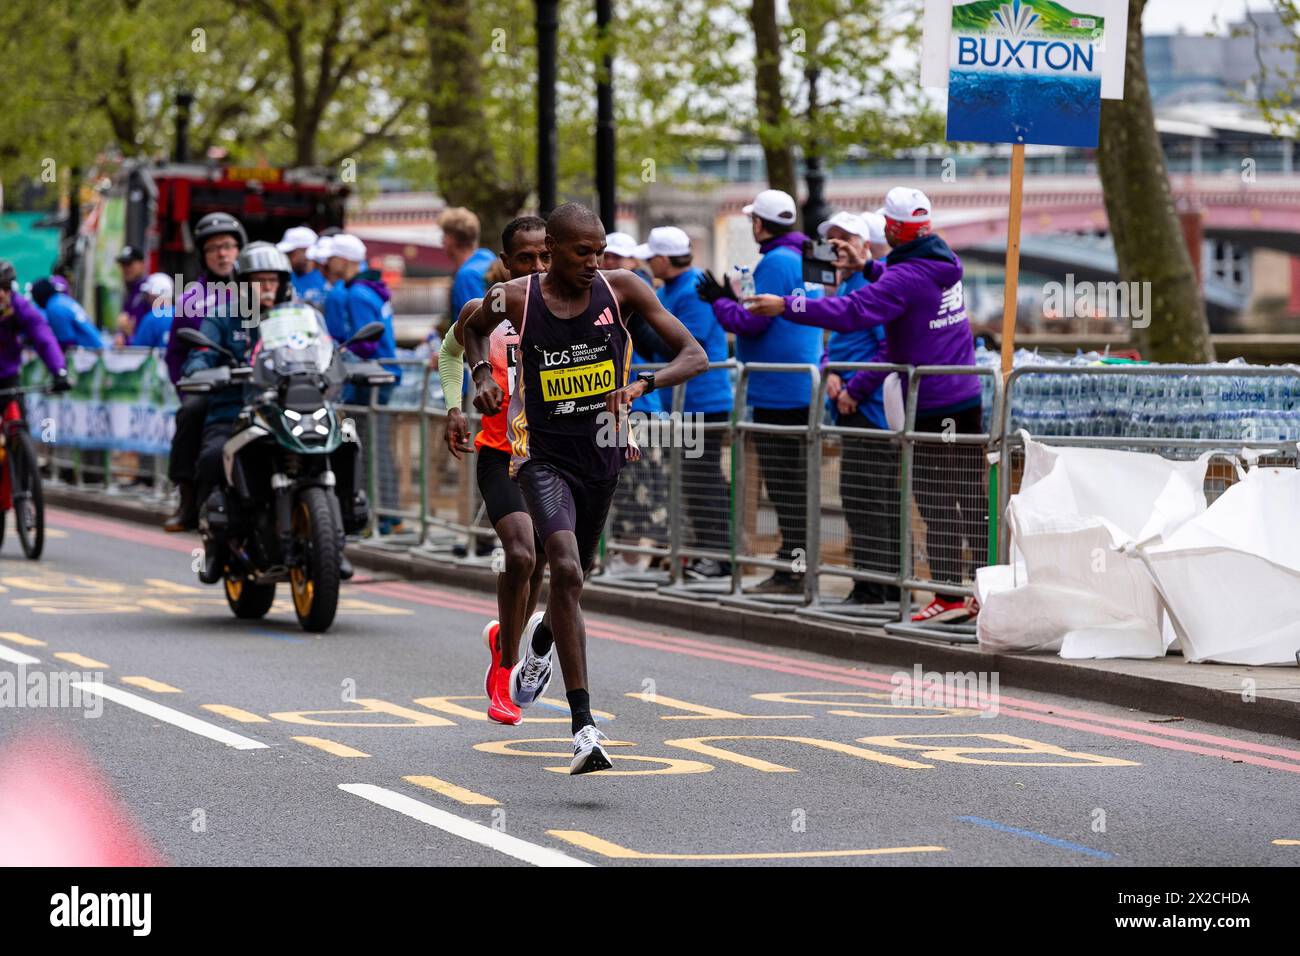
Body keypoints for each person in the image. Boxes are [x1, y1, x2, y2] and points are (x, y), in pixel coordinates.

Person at [462, 203, 707, 774]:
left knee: (578, 577)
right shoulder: (515, 298)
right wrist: (479, 379)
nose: (594, 263)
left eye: (600, 251)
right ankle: (584, 729)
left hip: (604, 451)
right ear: (552, 248)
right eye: (581, 253)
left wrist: (641, 385)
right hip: (543, 458)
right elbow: (470, 328)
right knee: (564, 568)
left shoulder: (622, 289)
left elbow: (693, 355)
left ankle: (544, 640)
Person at [744, 187, 986, 624]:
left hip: (929, 401)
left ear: (891, 229)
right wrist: (869, 266)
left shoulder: (903, 276)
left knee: (935, 503)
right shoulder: (943, 262)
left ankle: (950, 597)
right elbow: (906, 285)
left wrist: (786, 305)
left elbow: (850, 312)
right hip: (966, 394)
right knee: (972, 500)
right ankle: (987, 591)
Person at [438, 215, 550, 724]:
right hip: (500, 453)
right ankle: (505, 672)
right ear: (504, 262)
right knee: (521, 555)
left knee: (547, 561)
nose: (536, 266)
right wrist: (454, 407)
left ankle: (507, 635)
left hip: (553, 459)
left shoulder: (569, 307)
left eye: (544, 256)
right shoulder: (486, 311)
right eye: (524, 258)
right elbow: (449, 350)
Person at [695, 188, 823, 595]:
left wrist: (719, 301)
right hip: (803, 383)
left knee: (785, 485)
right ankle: (800, 565)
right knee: (799, 482)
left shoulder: (775, 261)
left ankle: (792, 569)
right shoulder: (807, 255)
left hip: (776, 390)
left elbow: (751, 323)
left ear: (760, 224)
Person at [639, 226, 734, 580]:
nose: (649, 265)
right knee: (691, 480)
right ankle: (704, 552)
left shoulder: (693, 291)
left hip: (703, 402)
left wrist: (637, 320)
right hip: (682, 402)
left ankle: (719, 556)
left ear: (663, 259)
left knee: (703, 478)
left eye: (652, 259)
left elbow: (680, 345)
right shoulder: (673, 289)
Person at [816, 211, 897, 606]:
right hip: (851, 401)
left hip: (871, 406)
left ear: (864, 245)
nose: (836, 247)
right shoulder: (844, 284)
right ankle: (882, 584)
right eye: (831, 241)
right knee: (868, 494)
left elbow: (888, 347)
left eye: (844, 240)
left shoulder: (870, 283)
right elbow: (832, 346)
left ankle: (874, 587)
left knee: (865, 495)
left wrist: (855, 388)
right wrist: (828, 371)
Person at [163, 212, 246, 533]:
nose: (223, 254)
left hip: (256, 384)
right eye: (214, 248)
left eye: (228, 246)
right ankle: (187, 499)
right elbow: (175, 354)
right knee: (189, 414)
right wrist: (190, 386)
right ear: (203, 255)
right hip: (210, 389)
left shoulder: (259, 290)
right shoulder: (190, 300)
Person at [332, 234, 403, 535]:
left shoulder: (357, 294)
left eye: (331, 257)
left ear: (344, 260)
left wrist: (342, 350)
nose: (326, 263)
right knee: (375, 446)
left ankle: (379, 518)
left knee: (368, 448)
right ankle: (386, 517)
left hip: (371, 379)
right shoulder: (364, 290)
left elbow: (366, 344)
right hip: (379, 376)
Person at [0, 260, 72, 400]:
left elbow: (42, 335)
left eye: (6, 287)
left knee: (16, 419)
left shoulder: (19, 305)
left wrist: (59, 370)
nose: (1, 293)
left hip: (8, 377)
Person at [441, 207, 496, 320]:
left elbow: (474, 323)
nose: (442, 241)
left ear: (452, 239)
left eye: (444, 236)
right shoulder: (489, 258)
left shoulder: (467, 276)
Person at [29, 278, 104, 349]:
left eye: (35, 297)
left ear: (40, 295)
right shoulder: (61, 300)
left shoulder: (54, 308)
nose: (35, 301)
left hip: (89, 352)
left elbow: (67, 342)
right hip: (96, 345)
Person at [278, 226, 329, 310]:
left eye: (292, 253)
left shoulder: (327, 277)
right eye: (287, 253)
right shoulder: (285, 278)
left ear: (308, 250)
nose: (288, 258)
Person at [129, 274, 176, 349]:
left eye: (147, 294)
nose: (147, 298)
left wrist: (128, 335)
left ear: (153, 294)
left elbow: (137, 351)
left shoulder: (151, 318)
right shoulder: (180, 314)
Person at [117, 246, 150, 343]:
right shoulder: (130, 291)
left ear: (141, 264)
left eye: (129, 264)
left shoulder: (149, 289)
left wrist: (130, 335)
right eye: (123, 265)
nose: (125, 268)